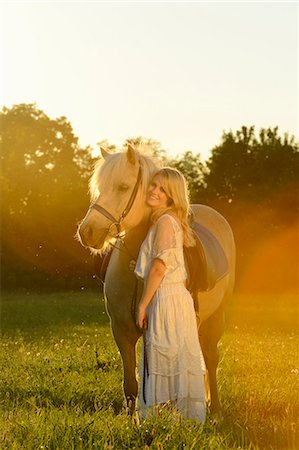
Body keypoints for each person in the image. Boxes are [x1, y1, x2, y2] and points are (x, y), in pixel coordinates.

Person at [134, 167, 206, 422]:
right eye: (153, 185)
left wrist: (143, 304)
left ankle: (159, 421)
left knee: (162, 357)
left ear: (171, 195)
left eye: (162, 189)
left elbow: (159, 266)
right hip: (177, 298)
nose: (154, 191)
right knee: (174, 358)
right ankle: (178, 420)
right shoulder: (170, 220)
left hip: (166, 298)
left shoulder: (164, 222)